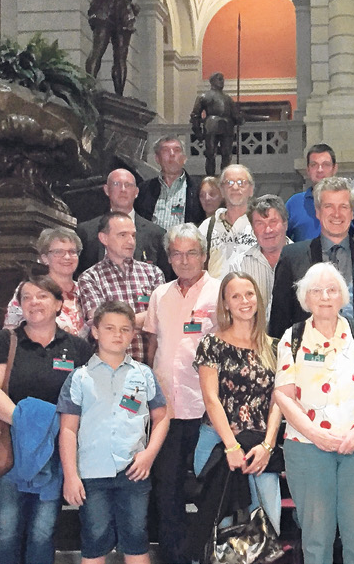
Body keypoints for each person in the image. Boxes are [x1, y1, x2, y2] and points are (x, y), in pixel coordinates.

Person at [273, 263, 354, 564]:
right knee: (316, 538)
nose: (325, 297)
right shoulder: (292, 337)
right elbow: (283, 395)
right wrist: (315, 434)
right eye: (316, 290)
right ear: (305, 298)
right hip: (308, 447)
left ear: (343, 296)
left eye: (332, 290)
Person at [0, 275, 92, 564]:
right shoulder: (3, 342)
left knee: (43, 531)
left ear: (58, 304)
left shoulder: (78, 348)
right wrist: (29, 425)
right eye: (27, 297)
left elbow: (88, 398)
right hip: (11, 450)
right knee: (6, 529)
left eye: (42, 296)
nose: (34, 302)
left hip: (55, 453)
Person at [58, 301, 169, 564]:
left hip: (133, 471)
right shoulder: (79, 378)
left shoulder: (143, 374)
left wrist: (149, 455)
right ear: (95, 332)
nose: (117, 335)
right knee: (94, 539)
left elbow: (162, 417)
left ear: (132, 334)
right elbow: (68, 430)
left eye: (124, 329)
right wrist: (71, 475)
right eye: (109, 328)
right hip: (91, 473)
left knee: (136, 537)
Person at [141, 224, 220, 564]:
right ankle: (175, 556)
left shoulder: (219, 292)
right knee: (167, 487)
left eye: (191, 253)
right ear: (169, 258)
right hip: (166, 410)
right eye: (177, 254)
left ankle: (209, 553)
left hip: (207, 408)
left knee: (211, 487)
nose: (184, 260)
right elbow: (152, 344)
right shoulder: (160, 295)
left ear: (204, 256)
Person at [191, 272, 284, 554]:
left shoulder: (275, 347)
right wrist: (231, 447)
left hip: (259, 445)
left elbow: (278, 401)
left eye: (249, 294)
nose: (244, 301)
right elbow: (211, 398)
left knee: (268, 525)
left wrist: (268, 446)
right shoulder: (211, 344)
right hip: (218, 443)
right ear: (225, 304)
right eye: (236, 296)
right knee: (221, 531)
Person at [269, 176, 354, 339]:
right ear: (318, 212)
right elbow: (279, 321)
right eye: (329, 206)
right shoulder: (292, 257)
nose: (336, 214)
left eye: (343, 207)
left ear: (352, 213)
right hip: (308, 351)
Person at [77, 212, 166, 361]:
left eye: (133, 235)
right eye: (123, 235)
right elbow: (99, 323)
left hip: (150, 364)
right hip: (111, 366)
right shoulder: (90, 277)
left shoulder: (153, 273)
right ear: (104, 238)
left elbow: (163, 315)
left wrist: (117, 324)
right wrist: (145, 318)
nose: (130, 241)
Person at [76, 169, 171, 278]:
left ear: (136, 192)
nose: (123, 189)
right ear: (106, 190)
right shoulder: (86, 232)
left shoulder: (157, 234)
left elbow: (165, 279)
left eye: (128, 185)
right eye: (116, 184)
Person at [4, 228, 85, 334]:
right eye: (58, 252)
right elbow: (10, 332)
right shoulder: (30, 289)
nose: (67, 257)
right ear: (45, 258)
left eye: (72, 251)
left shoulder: (87, 289)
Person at [285, 144, 354, 241]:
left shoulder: (350, 201)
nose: (320, 170)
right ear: (308, 170)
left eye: (326, 165)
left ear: (335, 168)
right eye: (314, 165)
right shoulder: (294, 203)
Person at [224, 195, 290, 317]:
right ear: (253, 229)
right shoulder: (239, 265)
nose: (268, 230)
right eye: (260, 224)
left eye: (273, 222)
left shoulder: (305, 260)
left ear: (285, 224)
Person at [135, 136, 205, 229]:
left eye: (177, 150)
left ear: (184, 158)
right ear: (157, 158)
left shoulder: (198, 189)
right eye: (166, 150)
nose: (172, 154)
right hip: (153, 238)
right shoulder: (144, 190)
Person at [199, 164, 256, 277]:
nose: (235, 187)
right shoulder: (207, 226)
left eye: (241, 182)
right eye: (229, 183)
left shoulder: (261, 224)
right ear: (221, 190)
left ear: (251, 190)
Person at [189, 72, 243, 176]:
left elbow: (235, 115)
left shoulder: (228, 99)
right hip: (211, 125)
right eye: (219, 79)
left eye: (222, 79)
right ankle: (210, 177)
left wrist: (239, 118)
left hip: (227, 126)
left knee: (227, 154)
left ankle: (224, 177)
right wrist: (197, 131)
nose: (222, 81)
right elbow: (195, 115)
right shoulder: (204, 96)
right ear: (212, 81)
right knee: (210, 153)